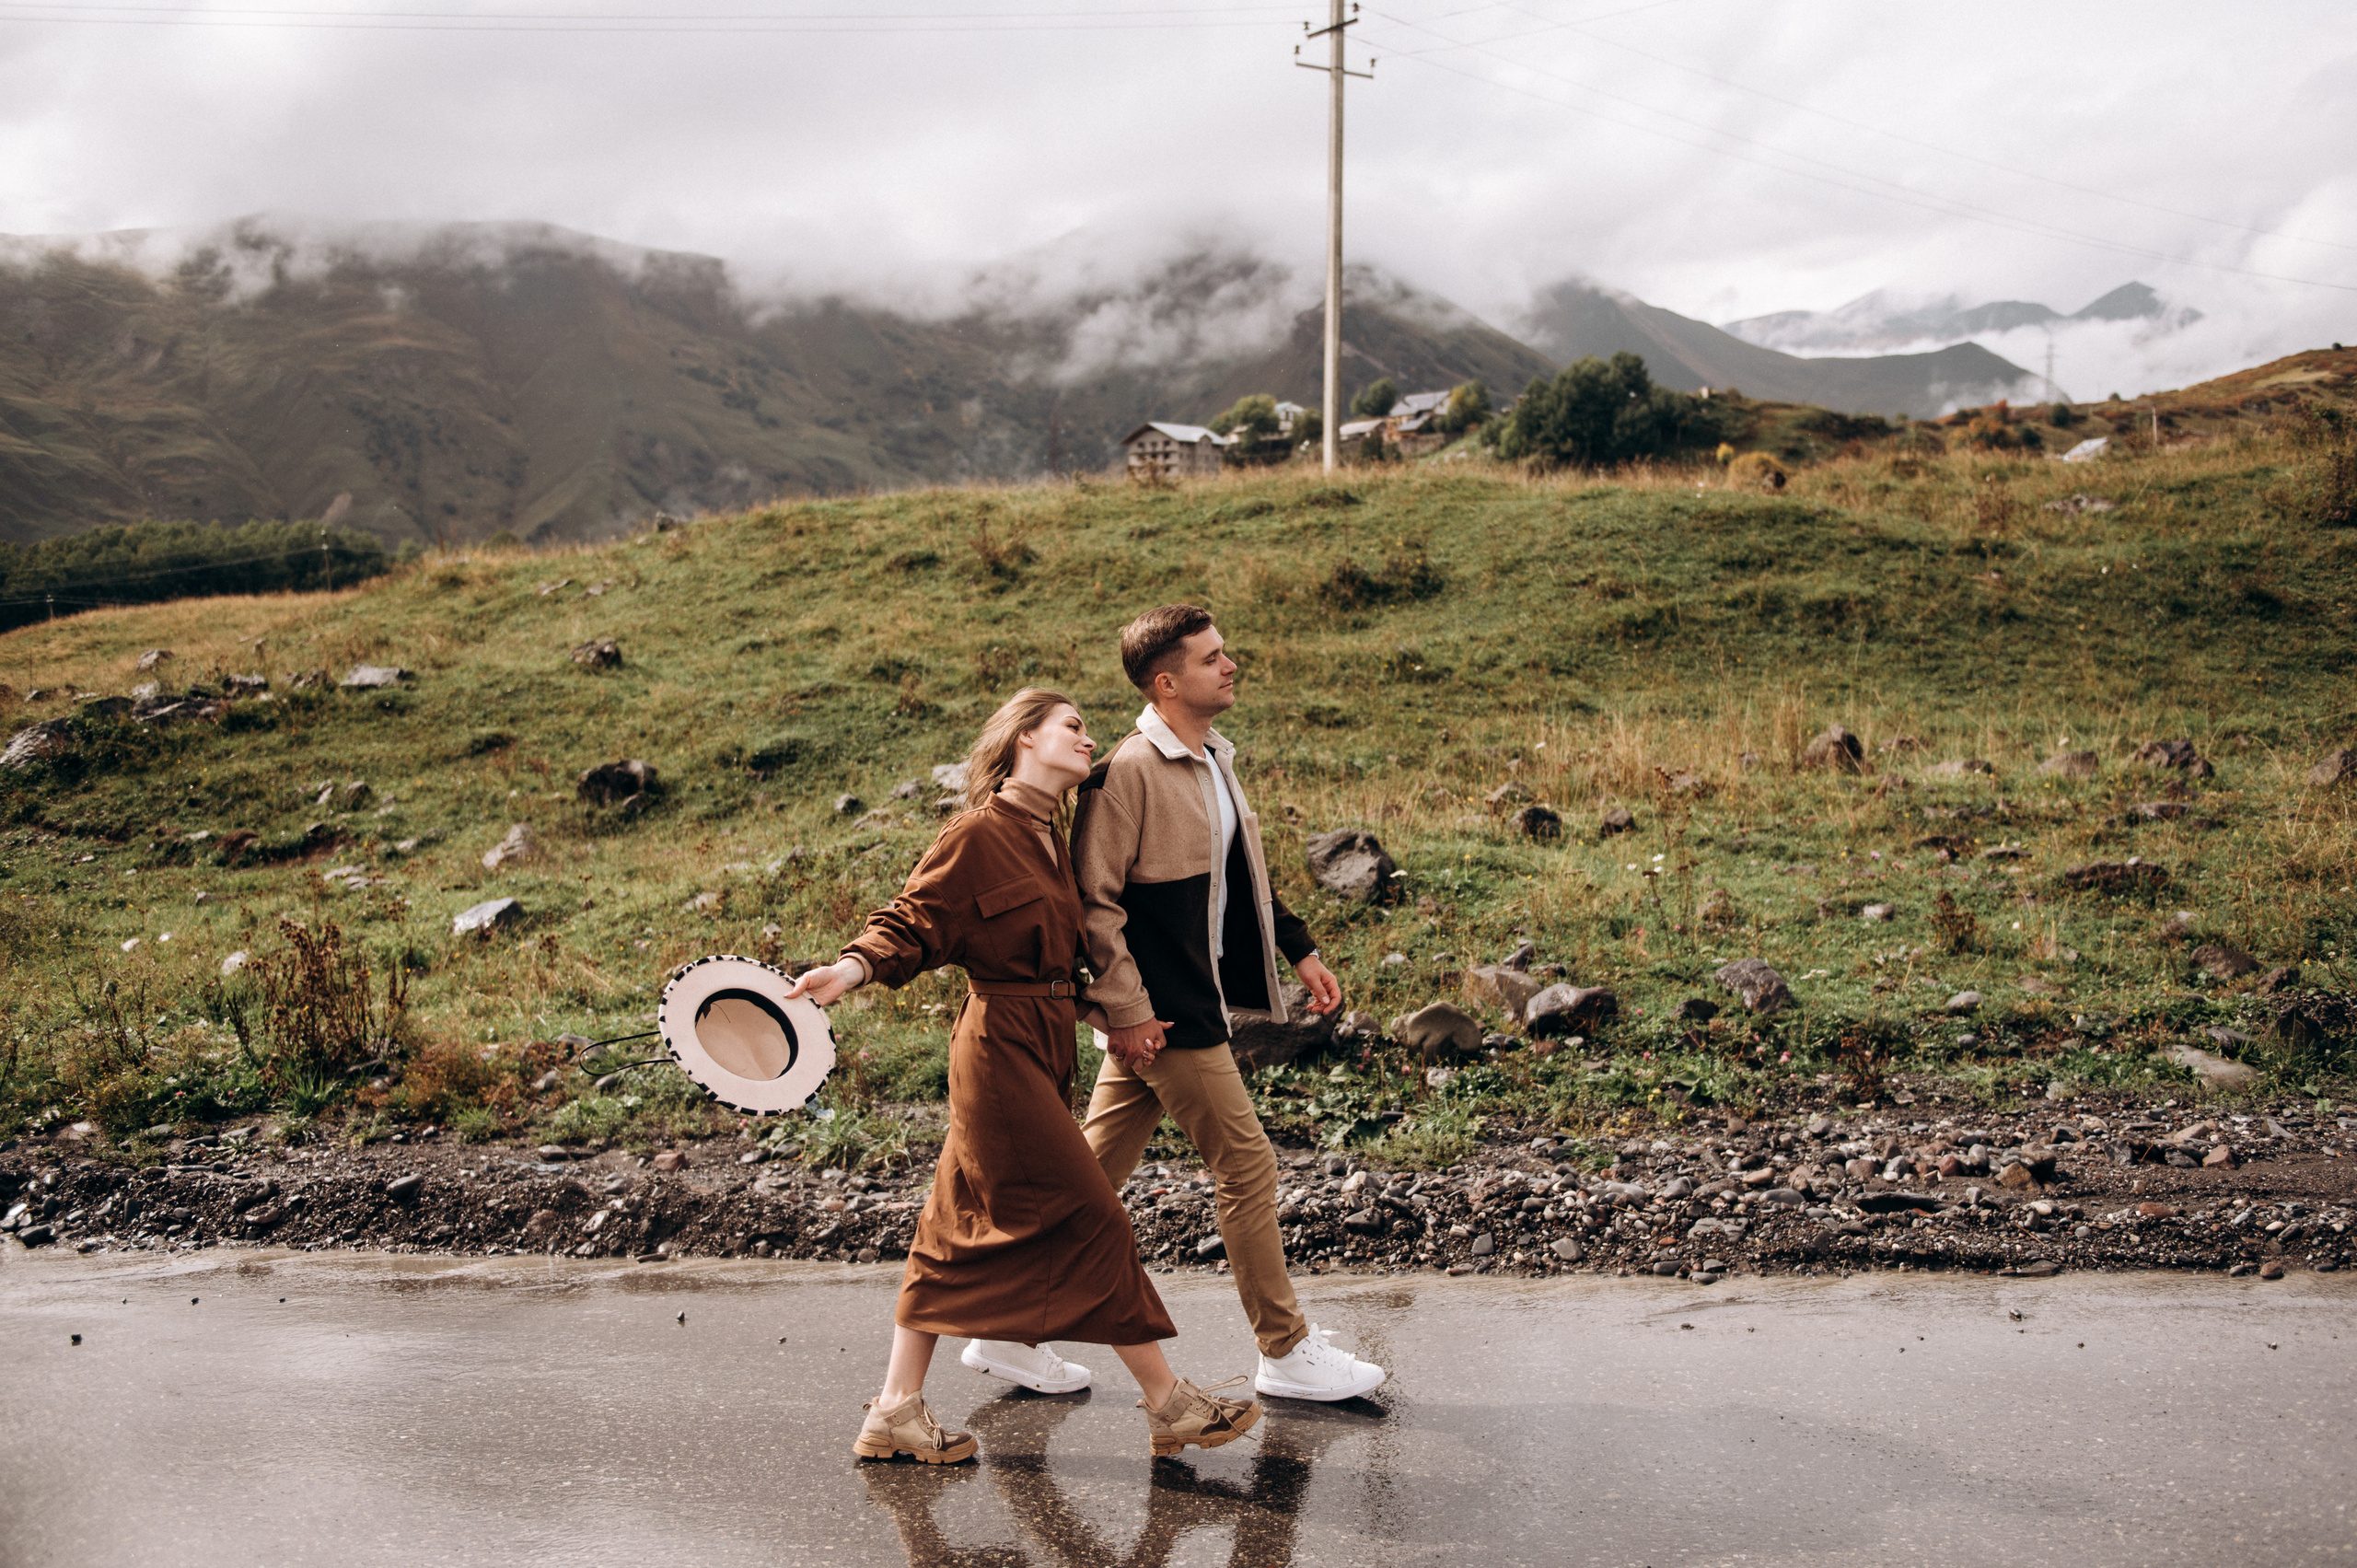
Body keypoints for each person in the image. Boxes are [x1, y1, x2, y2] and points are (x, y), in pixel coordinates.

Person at [787, 688, 1261, 1463]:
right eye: (1071, 726)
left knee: (946, 1234)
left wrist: (1102, 1015)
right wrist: (854, 966)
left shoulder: (1050, 836)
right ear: (1021, 740)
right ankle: (1168, 1401)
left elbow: (1053, 959)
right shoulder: (977, 833)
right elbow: (915, 917)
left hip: (1043, 1045)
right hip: (998, 1053)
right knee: (1093, 1216)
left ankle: (895, 1409)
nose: (1088, 738)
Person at [1056, 605, 1385, 1401]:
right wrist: (1130, 1014)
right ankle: (1286, 1349)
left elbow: (1243, 877)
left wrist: (1298, 947)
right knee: (1246, 1163)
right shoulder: (1128, 772)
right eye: (1212, 658)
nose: (1230, 665)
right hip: (1166, 1017)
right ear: (1167, 682)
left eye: (1225, 652)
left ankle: (1006, 1329)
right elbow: (1093, 909)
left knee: (1089, 1180)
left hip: (1179, 1006)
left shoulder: (1211, 756)